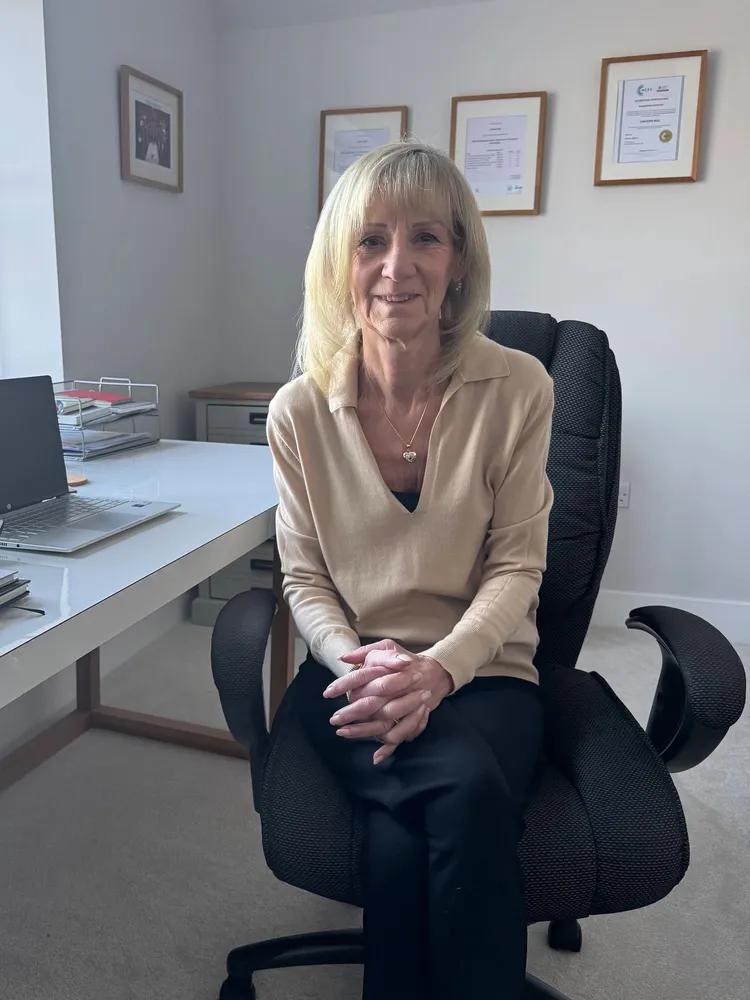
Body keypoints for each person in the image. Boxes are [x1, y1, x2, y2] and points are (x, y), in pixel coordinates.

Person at [266, 140, 554, 1000]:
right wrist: (362, 661)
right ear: (339, 262)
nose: (398, 267)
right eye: (371, 241)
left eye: (426, 237)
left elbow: (517, 566)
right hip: (349, 671)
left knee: (421, 820)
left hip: (485, 673)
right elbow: (304, 577)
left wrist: (437, 669)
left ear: (459, 258)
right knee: (454, 802)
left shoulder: (521, 388)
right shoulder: (297, 412)